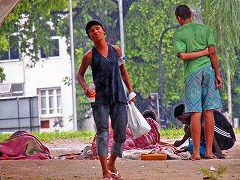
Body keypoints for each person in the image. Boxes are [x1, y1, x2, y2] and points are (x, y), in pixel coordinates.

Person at [77, 20, 136, 180]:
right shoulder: (89, 56)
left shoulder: (116, 50)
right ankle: (105, 171)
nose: (95, 31)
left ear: (104, 31)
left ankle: (112, 163)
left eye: (97, 29)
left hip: (118, 96)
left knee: (121, 133)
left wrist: (131, 92)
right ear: (90, 36)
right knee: (102, 134)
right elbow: (80, 75)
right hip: (100, 99)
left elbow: (123, 72)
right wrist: (86, 89)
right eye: (91, 31)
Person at [173, 4, 223, 160]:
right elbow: (212, 52)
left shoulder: (178, 33)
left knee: (196, 112)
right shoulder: (205, 29)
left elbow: (183, 56)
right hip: (208, 71)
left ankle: (195, 153)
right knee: (209, 112)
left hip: (192, 74)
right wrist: (217, 74)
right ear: (192, 15)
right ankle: (208, 152)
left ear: (178, 18)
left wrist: (199, 53)